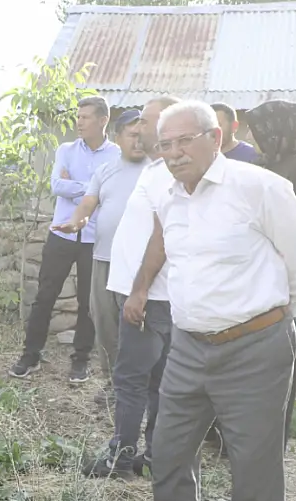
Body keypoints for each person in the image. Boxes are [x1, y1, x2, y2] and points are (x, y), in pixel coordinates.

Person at [129, 100, 296, 501]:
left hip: (254, 346)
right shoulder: (169, 198)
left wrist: (282, 316)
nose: (173, 153)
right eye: (165, 144)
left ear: (216, 137)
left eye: (184, 140)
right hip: (189, 347)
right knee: (167, 450)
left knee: (253, 463)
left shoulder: (261, 188)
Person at [75, 96, 180, 478]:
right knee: (152, 380)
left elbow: (163, 236)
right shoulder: (154, 170)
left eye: (148, 121)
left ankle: (122, 459)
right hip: (142, 291)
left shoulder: (168, 174)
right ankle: (151, 455)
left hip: (150, 296)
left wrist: (139, 292)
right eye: (137, 123)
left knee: (132, 379)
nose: (140, 127)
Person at [9, 96, 120, 383]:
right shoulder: (66, 149)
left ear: (102, 120)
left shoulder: (116, 156)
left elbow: (112, 192)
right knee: (45, 296)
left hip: (95, 239)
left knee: (89, 303)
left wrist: (81, 188)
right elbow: (56, 186)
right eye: (78, 116)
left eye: (85, 117)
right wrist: (93, 189)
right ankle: (30, 356)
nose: (79, 122)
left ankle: (80, 361)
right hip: (61, 233)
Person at [246, 100, 296, 443]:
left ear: (280, 130)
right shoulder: (271, 164)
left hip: (282, 284)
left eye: (259, 128)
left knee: (279, 365)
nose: (252, 136)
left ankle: (271, 437)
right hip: (254, 278)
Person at [52, 108, 148, 394]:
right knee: (105, 323)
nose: (139, 141)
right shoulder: (105, 171)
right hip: (104, 259)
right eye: (133, 135)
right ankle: (113, 383)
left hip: (142, 264)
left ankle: (141, 387)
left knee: (140, 328)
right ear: (118, 138)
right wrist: (75, 221)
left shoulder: (157, 170)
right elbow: (88, 203)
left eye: (143, 135)